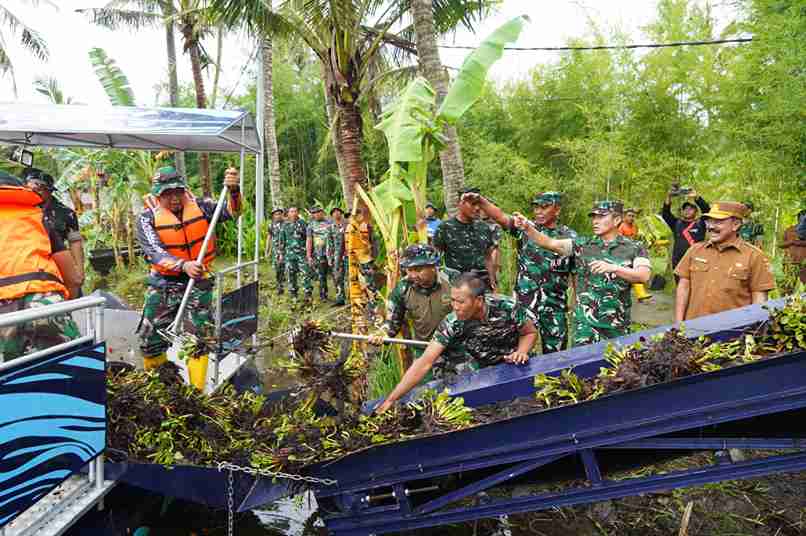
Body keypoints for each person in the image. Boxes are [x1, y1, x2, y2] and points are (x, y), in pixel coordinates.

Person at [135, 166, 241, 388]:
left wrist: (233, 191)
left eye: (177, 192)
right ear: (157, 194)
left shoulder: (202, 206)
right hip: (164, 284)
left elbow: (233, 212)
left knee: (199, 340)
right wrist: (183, 265)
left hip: (198, 284)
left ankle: (196, 393)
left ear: (184, 190)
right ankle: (162, 386)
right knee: (149, 339)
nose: (174, 198)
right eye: (166, 193)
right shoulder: (146, 218)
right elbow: (154, 251)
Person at [376, 273, 538, 413]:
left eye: (460, 302)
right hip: (482, 368)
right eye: (452, 301)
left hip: (514, 363)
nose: (455, 307)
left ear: (478, 301)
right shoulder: (452, 322)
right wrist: (391, 399)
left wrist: (521, 351)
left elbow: (529, 333)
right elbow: (425, 362)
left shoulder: (506, 307)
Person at [513, 201, 652, 346]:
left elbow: (643, 275)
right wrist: (528, 228)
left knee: (614, 366)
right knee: (581, 366)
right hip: (584, 327)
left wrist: (614, 268)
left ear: (617, 220)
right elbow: (550, 243)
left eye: (601, 217)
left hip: (616, 326)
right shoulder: (582, 245)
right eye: (593, 217)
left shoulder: (635, 247)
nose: (595, 221)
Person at [471, 192, 576, 354]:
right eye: (536, 207)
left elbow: (575, 272)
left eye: (545, 207)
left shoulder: (569, 237)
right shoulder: (524, 228)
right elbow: (501, 217)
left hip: (554, 306)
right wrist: (481, 201)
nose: (539, 211)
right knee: (520, 352)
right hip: (525, 304)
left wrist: (577, 305)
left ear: (557, 210)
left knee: (557, 356)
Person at [0, 171, 82, 361]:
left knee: (10, 382)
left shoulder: (62, 212)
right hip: (44, 303)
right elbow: (73, 278)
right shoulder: (37, 217)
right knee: (67, 371)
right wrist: (63, 307)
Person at [675, 202, 775, 322]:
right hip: (692, 330)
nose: (710, 227)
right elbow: (683, 287)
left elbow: (759, 299)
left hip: (732, 335)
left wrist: (753, 332)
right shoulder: (695, 250)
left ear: (736, 225)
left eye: (718, 222)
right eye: (709, 221)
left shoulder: (754, 256)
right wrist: (679, 324)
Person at [369, 244, 453, 354]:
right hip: (424, 350)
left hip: (455, 349)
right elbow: (392, 321)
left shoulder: (452, 280)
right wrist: (382, 332)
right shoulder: (402, 289)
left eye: (418, 269)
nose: (413, 275)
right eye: (409, 269)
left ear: (433, 266)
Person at [24, 168, 85, 295]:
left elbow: (75, 242)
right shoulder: (22, 210)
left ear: (49, 191)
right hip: (30, 268)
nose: (35, 193)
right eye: (30, 189)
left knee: (71, 301)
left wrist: (79, 270)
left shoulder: (66, 213)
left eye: (40, 189)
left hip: (60, 265)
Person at [432, 187, 498, 290]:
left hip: (482, 284)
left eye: (479, 204)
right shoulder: (445, 228)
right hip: (457, 286)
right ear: (460, 204)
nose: (477, 208)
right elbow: (436, 257)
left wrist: (493, 282)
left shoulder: (484, 227)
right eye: (472, 204)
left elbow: (488, 257)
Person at [661, 188, 710, 281]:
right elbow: (666, 213)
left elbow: (707, 211)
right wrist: (669, 196)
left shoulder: (701, 223)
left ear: (696, 212)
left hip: (696, 259)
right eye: (685, 209)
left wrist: (697, 197)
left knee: (696, 286)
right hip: (678, 261)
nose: (687, 211)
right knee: (680, 286)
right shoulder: (676, 223)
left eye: (691, 209)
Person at [345, 203, 381, 324]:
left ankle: (374, 313)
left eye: (353, 215)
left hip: (366, 261)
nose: (351, 218)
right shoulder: (349, 229)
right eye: (349, 216)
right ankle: (359, 313)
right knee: (356, 288)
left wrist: (374, 259)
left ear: (360, 215)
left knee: (370, 287)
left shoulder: (367, 227)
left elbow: (375, 244)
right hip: (353, 263)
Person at [279, 207, 313, 305]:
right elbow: (282, 241)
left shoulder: (303, 224)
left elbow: (309, 239)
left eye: (295, 211)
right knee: (291, 274)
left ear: (298, 213)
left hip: (302, 255)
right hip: (290, 255)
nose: (294, 213)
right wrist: (281, 254)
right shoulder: (285, 225)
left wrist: (309, 254)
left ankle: (308, 295)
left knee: (305, 274)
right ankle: (293, 295)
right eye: (291, 211)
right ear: (288, 214)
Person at [306, 206, 332, 301]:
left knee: (336, 275)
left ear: (322, 212)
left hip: (332, 253)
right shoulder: (311, 225)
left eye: (318, 212)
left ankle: (340, 295)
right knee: (321, 275)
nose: (316, 214)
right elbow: (309, 241)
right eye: (314, 213)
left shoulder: (330, 223)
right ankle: (323, 295)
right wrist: (308, 256)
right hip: (319, 254)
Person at [326, 207, 348, 306]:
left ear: (341, 213)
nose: (336, 214)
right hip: (336, 256)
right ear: (332, 215)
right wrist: (329, 258)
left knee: (350, 277)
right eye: (334, 213)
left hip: (348, 255)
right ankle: (340, 298)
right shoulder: (330, 228)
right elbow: (329, 243)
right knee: (338, 277)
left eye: (338, 212)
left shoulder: (348, 225)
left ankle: (353, 298)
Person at [779, 209, 806, 288]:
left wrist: (797, 243)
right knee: (787, 288)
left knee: (803, 289)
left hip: (803, 264)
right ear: (798, 218)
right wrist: (790, 242)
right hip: (789, 262)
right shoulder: (789, 230)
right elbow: (780, 244)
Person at [266, 208, 286, 294]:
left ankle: (292, 289)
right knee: (278, 269)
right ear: (273, 216)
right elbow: (269, 237)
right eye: (276, 214)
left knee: (288, 269)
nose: (278, 215)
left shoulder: (286, 224)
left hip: (286, 251)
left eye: (279, 214)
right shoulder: (271, 225)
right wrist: (267, 250)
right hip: (276, 252)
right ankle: (280, 287)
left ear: (282, 214)